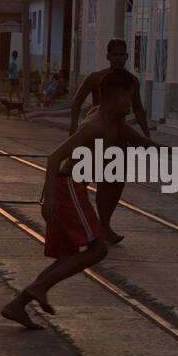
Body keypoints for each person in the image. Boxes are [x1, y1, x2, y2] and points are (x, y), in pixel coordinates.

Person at [2, 68, 178, 329]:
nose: (132, 106)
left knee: (67, 256)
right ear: (115, 98)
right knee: (98, 249)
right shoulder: (94, 125)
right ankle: (37, 289)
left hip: (74, 188)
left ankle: (18, 304)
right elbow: (54, 157)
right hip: (68, 187)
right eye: (129, 99)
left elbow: (144, 143)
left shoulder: (115, 124)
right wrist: (50, 196)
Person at [68, 38, 150, 244]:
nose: (119, 58)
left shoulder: (131, 81)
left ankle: (104, 224)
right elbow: (77, 101)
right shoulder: (97, 78)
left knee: (116, 183)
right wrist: (72, 130)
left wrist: (147, 135)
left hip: (120, 136)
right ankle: (97, 226)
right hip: (98, 136)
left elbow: (138, 108)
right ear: (107, 56)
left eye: (122, 54)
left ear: (127, 56)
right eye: (115, 54)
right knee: (94, 181)